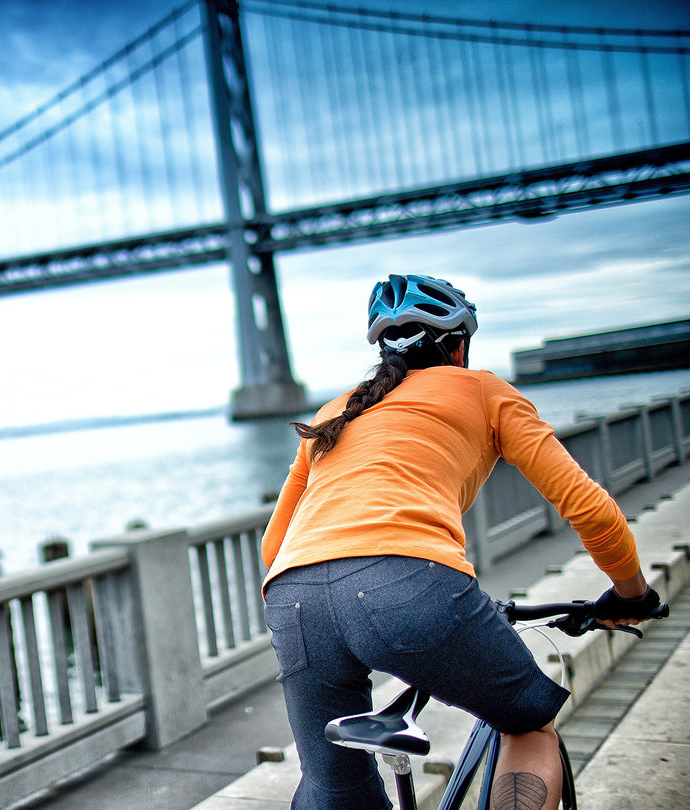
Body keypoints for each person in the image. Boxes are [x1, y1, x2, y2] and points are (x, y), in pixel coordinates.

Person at [261, 274, 663, 810]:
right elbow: (588, 508)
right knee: (528, 725)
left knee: (335, 788)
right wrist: (633, 594)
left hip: (293, 599)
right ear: (458, 346)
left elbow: (274, 546)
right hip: (409, 583)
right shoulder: (483, 390)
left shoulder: (334, 411)